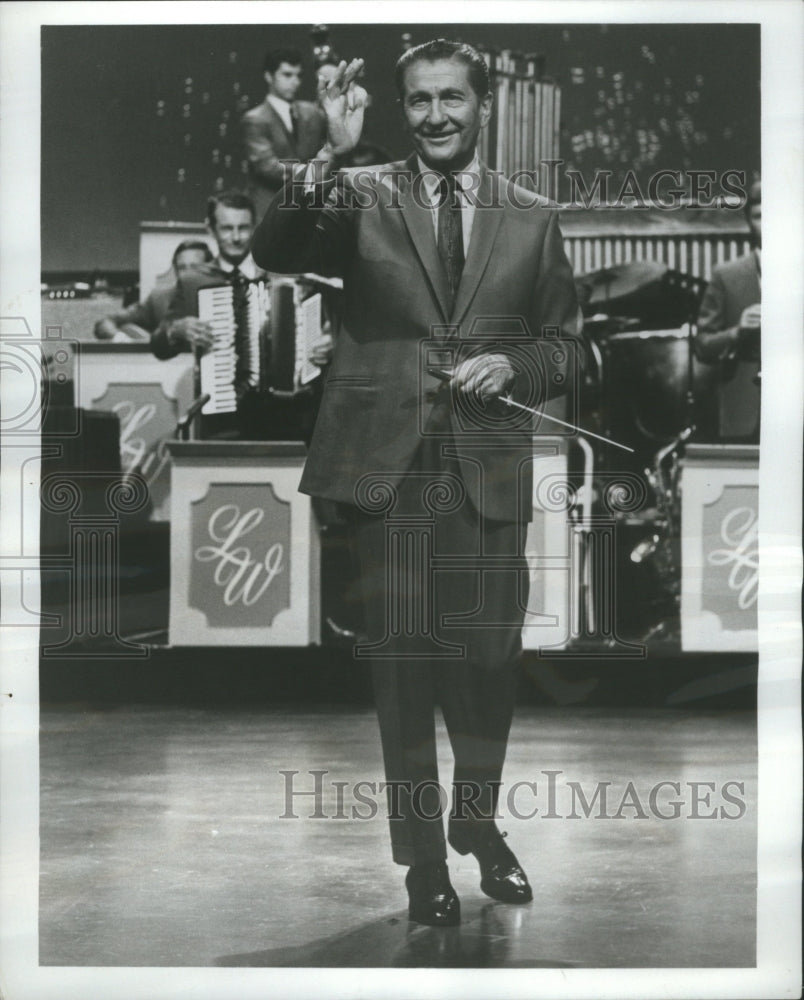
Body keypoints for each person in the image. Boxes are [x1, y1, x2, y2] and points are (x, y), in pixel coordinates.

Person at [252, 40, 583, 926]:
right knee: (402, 674)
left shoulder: (530, 214)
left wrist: (513, 366)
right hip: (385, 472)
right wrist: (324, 149)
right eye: (420, 100)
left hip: (484, 475)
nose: (437, 115)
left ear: (483, 108)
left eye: (453, 99)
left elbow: (567, 345)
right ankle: (424, 860)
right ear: (402, 109)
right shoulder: (359, 193)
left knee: (485, 666)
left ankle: (477, 823)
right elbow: (275, 248)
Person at [152, 188, 331, 441]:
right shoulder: (193, 281)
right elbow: (159, 346)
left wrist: (327, 342)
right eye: (227, 229)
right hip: (223, 421)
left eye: (244, 228)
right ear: (210, 229)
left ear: (254, 227)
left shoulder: (282, 273)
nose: (236, 237)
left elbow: (329, 330)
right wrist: (176, 329)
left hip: (288, 418)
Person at [695, 178, 761, 439]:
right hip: (742, 410)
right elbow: (702, 345)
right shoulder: (727, 275)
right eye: (759, 216)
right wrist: (737, 332)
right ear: (749, 222)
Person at [241, 48, 327, 220]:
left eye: (298, 75)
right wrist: (311, 172)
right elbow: (267, 166)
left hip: (306, 209)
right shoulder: (255, 119)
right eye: (287, 75)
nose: (295, 82)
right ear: (268, 76)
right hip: (269, 211)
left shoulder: (312, 113)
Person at [93, 240, 212, 342]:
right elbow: (105, 322)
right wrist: (120, 338)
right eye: (182, 268)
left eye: (195, 267)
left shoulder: (223, 294)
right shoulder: (159, 300)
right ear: (175, 271)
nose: (187, 274)